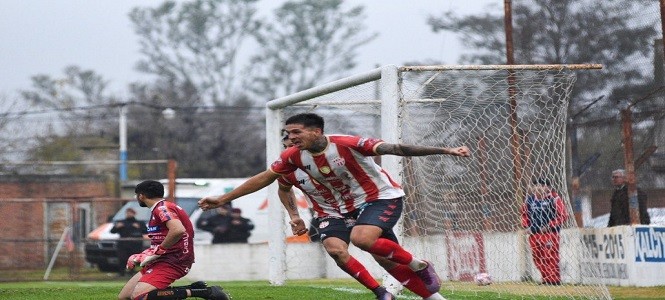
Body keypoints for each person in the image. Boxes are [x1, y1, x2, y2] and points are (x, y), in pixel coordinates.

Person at [200, 113, 471, 299]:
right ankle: (409, 294)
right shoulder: (292, 159)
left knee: (366, 242)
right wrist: (224, 199)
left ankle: (418, 265)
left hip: (379, 198)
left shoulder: (347, 144)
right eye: (287, 134)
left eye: (296, 132)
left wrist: (445, 150)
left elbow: (396, 148)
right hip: (336, 211)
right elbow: (269, 180)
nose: (291, 138)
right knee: (340, 249)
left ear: (317, 132)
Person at [278, 136, 395, 300]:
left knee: (385, 258)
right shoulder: (287, 169)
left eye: (294, 146)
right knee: (336, 250)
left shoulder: (334, 157)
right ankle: (381, 292)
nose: (290, 150)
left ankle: (419, 272)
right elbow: (283, 189)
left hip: (360, 207)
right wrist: (295, 216)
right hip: (328, 213)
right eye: (287, 147)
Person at [119, 180, 228, 300]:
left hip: (174, 260)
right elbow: (162, 239)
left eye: (136, 195)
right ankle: (194, 288)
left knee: (140, 296)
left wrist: (158, 252)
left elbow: (177, 230)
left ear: (141, 196)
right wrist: (142, 255)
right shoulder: (161, 208)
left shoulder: (162, 208)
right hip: (163, 259)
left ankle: (202, 292)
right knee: (125, 297)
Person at [520, 178, 568, 286]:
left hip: (550, 234)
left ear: (548, 187)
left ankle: (554, 280)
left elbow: (563, 216)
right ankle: (545, 278)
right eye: (535, 185)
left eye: (542, 185)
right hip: (534, 234)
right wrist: (526, 226)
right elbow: (524, 214)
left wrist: (550, 225)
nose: (538, 188)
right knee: (537, 257)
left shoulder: (554, 198)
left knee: (550, 256)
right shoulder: (529, 200)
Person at [111, 207, 148, 276]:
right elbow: (112, 231)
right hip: (123, 244)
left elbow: (146, 231)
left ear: (134, 214)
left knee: (133, 259)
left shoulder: (139, 223)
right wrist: (117, 227)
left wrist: (138, 227)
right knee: (122, 258)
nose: (128, 214)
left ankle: (131, 272)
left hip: (135, 244)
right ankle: (121, 273)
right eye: (127, 213)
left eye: (130, 213)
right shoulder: (121, 222)